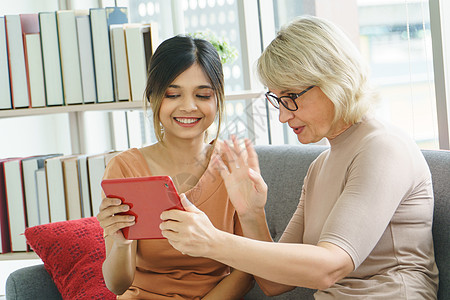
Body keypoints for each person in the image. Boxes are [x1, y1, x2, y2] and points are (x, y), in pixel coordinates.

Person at [159, 16, 439, 299]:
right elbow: (275, 284)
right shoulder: (319, 167)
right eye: (278, 99)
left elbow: (329, 268)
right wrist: (252, 213)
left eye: (291, 96)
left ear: (334, 79)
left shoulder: (382, 148)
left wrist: (212, 242)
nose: (283, 115)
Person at [96, 35, 253, 299]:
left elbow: (245, 271)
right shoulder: (124, 168)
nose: (189, 106)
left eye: (203, 94)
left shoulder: (233, 164)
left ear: (218, 100)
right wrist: (121, 244)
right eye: (173, 94)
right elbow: (117, 285)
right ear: (154, 97)